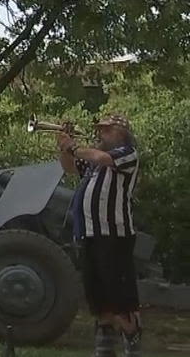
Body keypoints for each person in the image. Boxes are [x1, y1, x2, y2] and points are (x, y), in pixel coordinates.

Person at [57, 113, 142, 357]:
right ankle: (105, 348)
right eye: (100, 130)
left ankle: (132, 342)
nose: (100, 134)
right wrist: (65, 146)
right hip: (89, 234)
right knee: (98, 296)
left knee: (120, 296)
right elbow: (70, 167)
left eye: (106, 130)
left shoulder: (127, 154)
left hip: (114, 234)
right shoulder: (94, 161)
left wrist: (74, 146)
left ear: (121, 132)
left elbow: (101, 157)